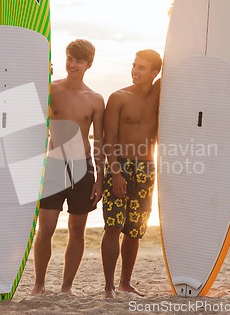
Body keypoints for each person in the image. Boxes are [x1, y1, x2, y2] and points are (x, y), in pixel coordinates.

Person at [31, 39, 105, 295]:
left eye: (79, 61)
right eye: (69, 58)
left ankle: (66, 287)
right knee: (46, 228)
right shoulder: (50, 89)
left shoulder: (95, 99)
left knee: (77, 230)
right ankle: (39, 284)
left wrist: (100, 179)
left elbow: (100, 142)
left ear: (88, 65)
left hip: (83, 169)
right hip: (53, 166)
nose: (72, 65)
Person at [101, 49, 162, 298]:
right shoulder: (118, 97)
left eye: (142, 67)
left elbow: (179, 60)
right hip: (120, 165)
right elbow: (108, 140)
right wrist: (115, 173)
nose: (135, 71)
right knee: (113, 226)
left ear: (155, 73)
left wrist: (174, 18)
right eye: (134, 65)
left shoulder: (160, 93)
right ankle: (109, 286)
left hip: (146, 168)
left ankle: (126, 282)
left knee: (134, 230)